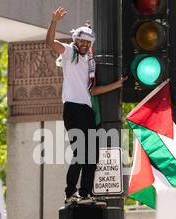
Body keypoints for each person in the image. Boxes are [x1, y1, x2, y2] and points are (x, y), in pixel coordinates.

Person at [46, 7, 127, 205]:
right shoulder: (69, 52)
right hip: (73, 109)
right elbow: (49, 42)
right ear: (75, 41)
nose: (83, 44)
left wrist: (116, 85)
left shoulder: (89, 62)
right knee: (80, 153)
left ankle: (85, 193)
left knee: (92, 155)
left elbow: (92, 91)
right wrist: (54, 22)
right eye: (81, 41)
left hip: (87, 110)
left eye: (87, 42)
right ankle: (69, 193)